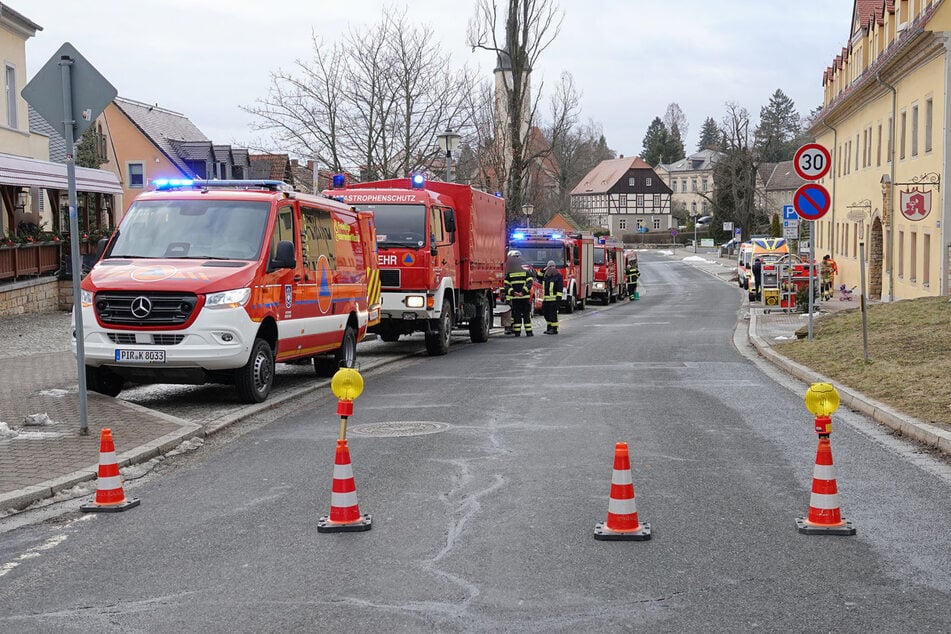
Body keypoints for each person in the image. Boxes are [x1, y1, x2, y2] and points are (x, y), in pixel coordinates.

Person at [503, 250, 534, 336]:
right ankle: (529, 332)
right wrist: (522, 292)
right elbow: (529, 283)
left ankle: (517, 332)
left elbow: (506, 285)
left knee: (516, 316)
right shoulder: (526, 272)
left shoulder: (509, 273)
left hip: (515, 299)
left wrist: (513, 293)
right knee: (526, 315)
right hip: (525, 298)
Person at [541, 260, 563, 334]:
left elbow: (560, 288)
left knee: (553, 314)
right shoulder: (546, 276)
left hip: (554, 300)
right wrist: (543, 269)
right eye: (550, 266)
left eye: (553, 266)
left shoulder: (558, 276)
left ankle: (554, 329)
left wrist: (558, 299)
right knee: (546, 313)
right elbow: (538, 276)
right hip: (546, 300)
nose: (552, 268)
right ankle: (549, 327)